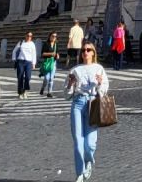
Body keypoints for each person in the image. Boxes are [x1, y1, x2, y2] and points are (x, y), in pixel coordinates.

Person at [65, 43, 110, 182]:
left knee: (90, 143)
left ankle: (89, 160)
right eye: (83, 50)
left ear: (93, 53)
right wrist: (70, 84)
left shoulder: (99, 68)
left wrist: (101, 84)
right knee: (78, 140)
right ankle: (80, 172)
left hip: (93, 103)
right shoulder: (75, 70)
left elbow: (104, 89)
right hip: (77, 103)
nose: (85, 52)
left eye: (88, 50)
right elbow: (67, 94)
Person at [14, 31, 37, 97]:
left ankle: (25, 91)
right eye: (28, 36)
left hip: (28, 62)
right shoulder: (21, 42)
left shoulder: (32, 44)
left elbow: (34, 53)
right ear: (25, 35)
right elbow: (15, 51)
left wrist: (34, 63)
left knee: (28, 77)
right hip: (20, 61)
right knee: (20, 77)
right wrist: (14, 59)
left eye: (31, 36)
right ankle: (20, 92)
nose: (29, 37)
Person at [40, 32, 61, 97]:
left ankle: (49, 92)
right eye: (53, 36)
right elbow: (42, 54)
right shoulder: (46, 44)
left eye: (55, 36)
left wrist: (57, 55)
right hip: (47, 62)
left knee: (51, 78)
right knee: (46, 78)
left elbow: (57, 53)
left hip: (53, 62)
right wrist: (50, 54)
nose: (54, 37)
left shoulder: (56, 44)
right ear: (49, 36)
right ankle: (43, 88)